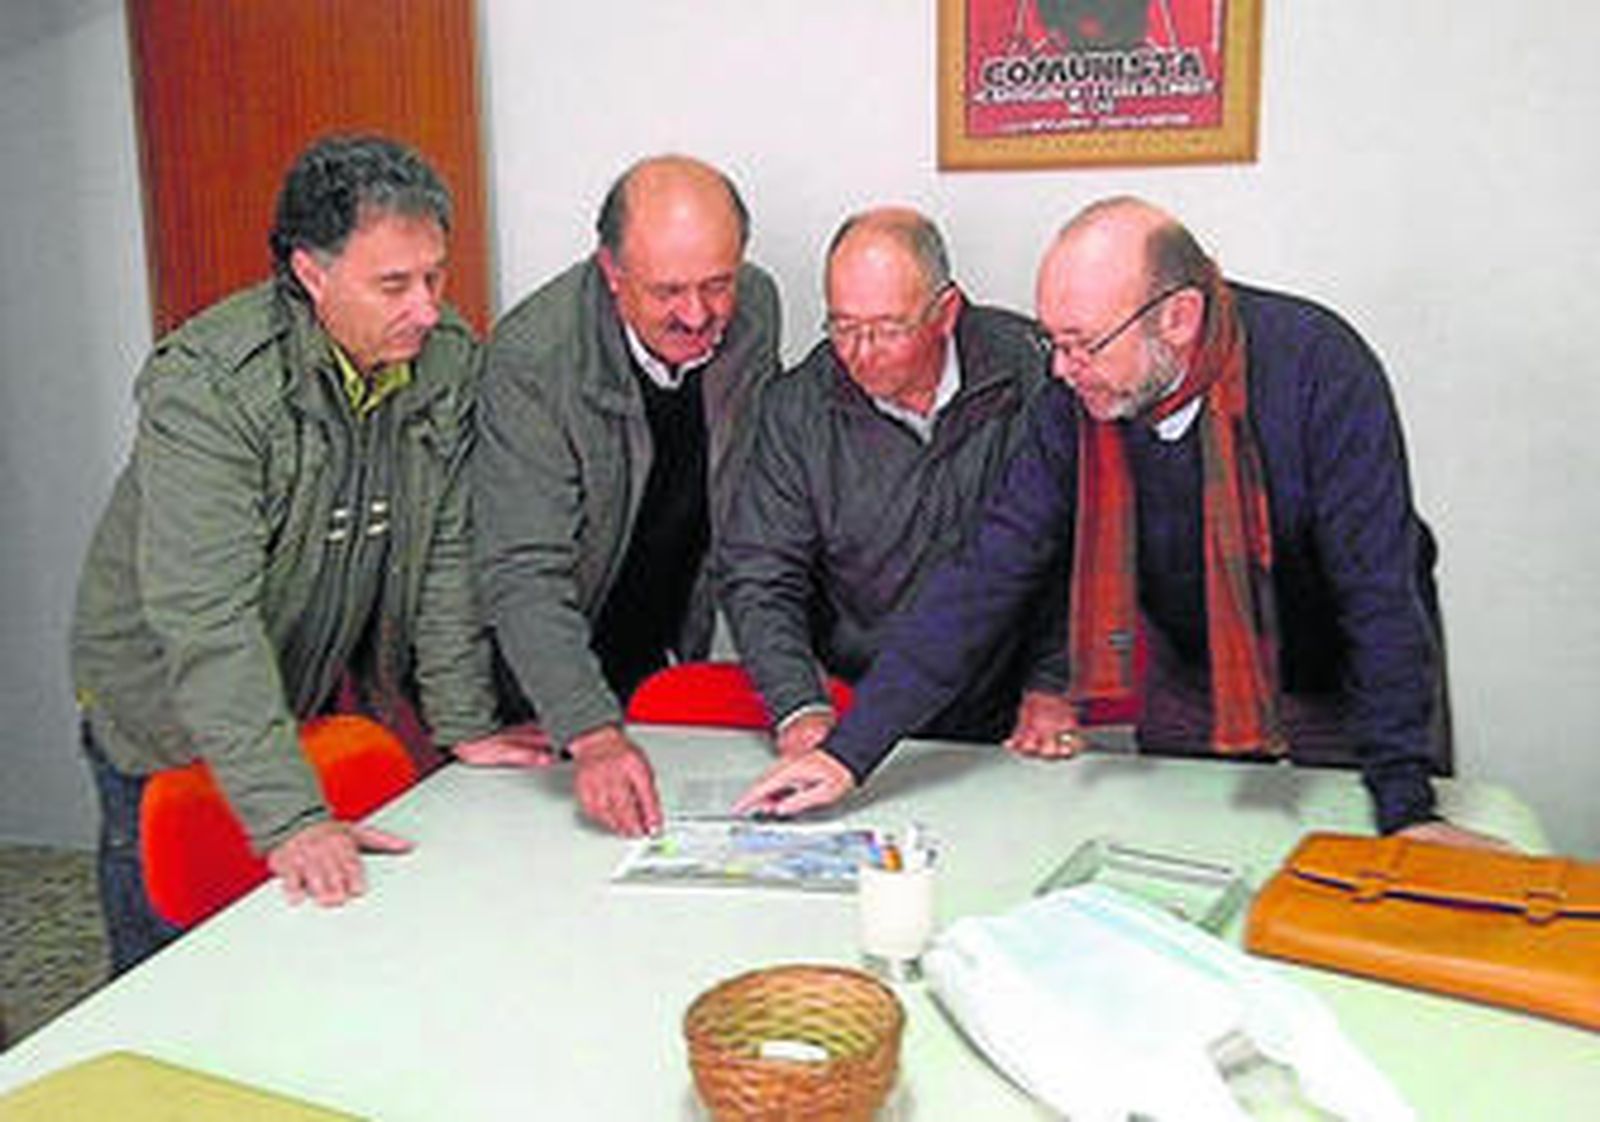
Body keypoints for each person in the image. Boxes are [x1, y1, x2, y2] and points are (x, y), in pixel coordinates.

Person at [736, 196, 1502, 850]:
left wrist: (1406, 805)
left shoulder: (1318, 369)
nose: (1060, 370)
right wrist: (848, 752)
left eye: (1082, 344)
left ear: (1179, 317)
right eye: (1052, 341)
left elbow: (1378, 588)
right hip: (1192, 673)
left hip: (1344, 680)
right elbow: (986, 575)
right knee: (1186, 863)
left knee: (1348, 885)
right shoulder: (1077, 405)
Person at [71, 135, 552, 973]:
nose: (427, 308)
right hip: (160, 709)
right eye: (393, 284)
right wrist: (290, 817)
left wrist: (465, 722)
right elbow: (205, 618)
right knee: (176, 972)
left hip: (283, 689)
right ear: (311, 273)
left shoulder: (441, 363)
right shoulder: (212, 389)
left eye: (434, 276)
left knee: (294, 959)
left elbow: (442, 553)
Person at [475, 155, 780, 837]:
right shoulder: (533, 359)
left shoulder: (757, 308)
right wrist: (592, 733)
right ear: (612, 273)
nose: (698, 314)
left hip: (658, 653)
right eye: (669, 291)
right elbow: (523, 571)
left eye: (718, 284)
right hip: (543, 681)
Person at [718, 206, 1077, 760]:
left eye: (887, 329)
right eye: (842, 326)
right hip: (863, 713)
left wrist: (1052, 684)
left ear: (946, 311)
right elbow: (760, 576)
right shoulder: (795, 409)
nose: (860, 353)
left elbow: (1081, 547)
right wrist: (800, 706)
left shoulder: (1038, 374)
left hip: (1010, 718)